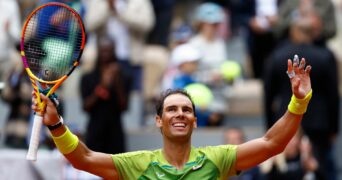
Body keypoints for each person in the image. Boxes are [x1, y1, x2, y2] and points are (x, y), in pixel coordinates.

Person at [32, 57, 312, 179]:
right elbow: (85, 159)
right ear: (158, 121)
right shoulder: (137, 165)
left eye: (187, 110)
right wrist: (56, 125)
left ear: (195, 121)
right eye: (172, 109)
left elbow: (272, 143)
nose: (180, 114)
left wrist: (299, 100)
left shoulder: (217, 159)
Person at [263, 7, 339, 180]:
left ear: (293, 31)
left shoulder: (277, 56)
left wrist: (270, 124)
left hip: (286, 119)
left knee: (283, 171)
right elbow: (333, 96)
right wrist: (334, 128)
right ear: (313, 33)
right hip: (319, 123)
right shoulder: (326, 56)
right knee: (321, 169)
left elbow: (268, 95)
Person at [79, 36, 130, 154]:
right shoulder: (88, 78)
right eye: (103, 51)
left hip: (115, 132)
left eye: (109, 51)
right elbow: (86, 106)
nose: (105, 54)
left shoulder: (124, 77)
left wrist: (116, 82)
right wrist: (102, 86)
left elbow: (124, 106)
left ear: (114, 51)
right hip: (95, 131)